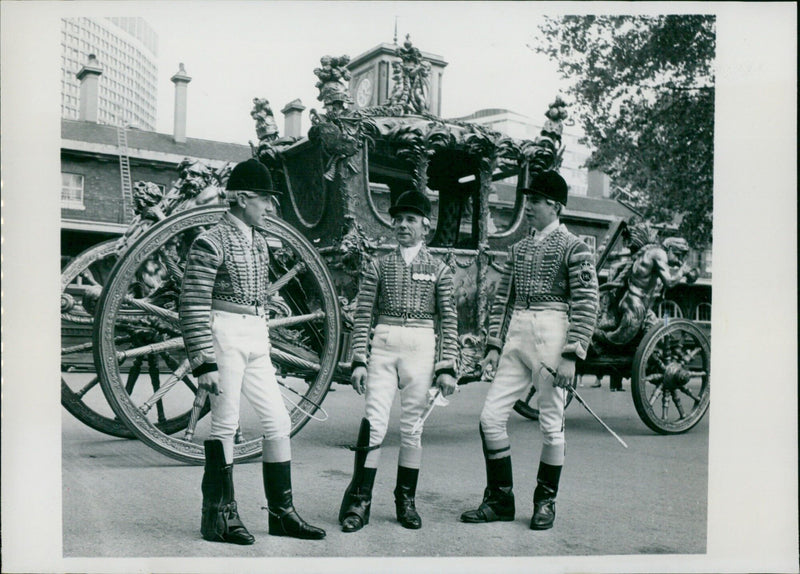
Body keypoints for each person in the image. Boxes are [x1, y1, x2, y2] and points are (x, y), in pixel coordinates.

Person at [179, 158, 325, 544]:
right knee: (225, 424)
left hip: (256, 335)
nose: (271, 208)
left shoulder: (258, 242)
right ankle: (218, 516)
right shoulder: (210, 241)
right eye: (265, 200)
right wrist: (203, 361)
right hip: (223, 334)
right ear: (243, 199)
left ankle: (281, 513)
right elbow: (192, 303)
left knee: (278, 422)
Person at [460, 170, 598, 530]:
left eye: (535, 201)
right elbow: (502, 301)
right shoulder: (519, 249)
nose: (529, 207)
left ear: (554, 205)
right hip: (517, 336)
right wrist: (493, 344)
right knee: (490, 418)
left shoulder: (575, 247)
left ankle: (545, 502)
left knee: (551, 424)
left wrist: (571, 354)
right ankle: (500, 499)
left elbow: (586, 302)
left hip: (554, 335)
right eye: (529, 200)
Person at [338, 189, 459, 532]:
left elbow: (449, 320)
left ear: (426, 225)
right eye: (399, 219)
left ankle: (406, 501)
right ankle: (360, 501)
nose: (403, 225)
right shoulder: (379, 265)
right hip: (386, 344)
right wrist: (359, 359)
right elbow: (363, 315)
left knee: (412, 429)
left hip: (421, 348)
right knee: (374, 422)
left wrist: (446, 365)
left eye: (411, 219)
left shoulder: (439, 269)